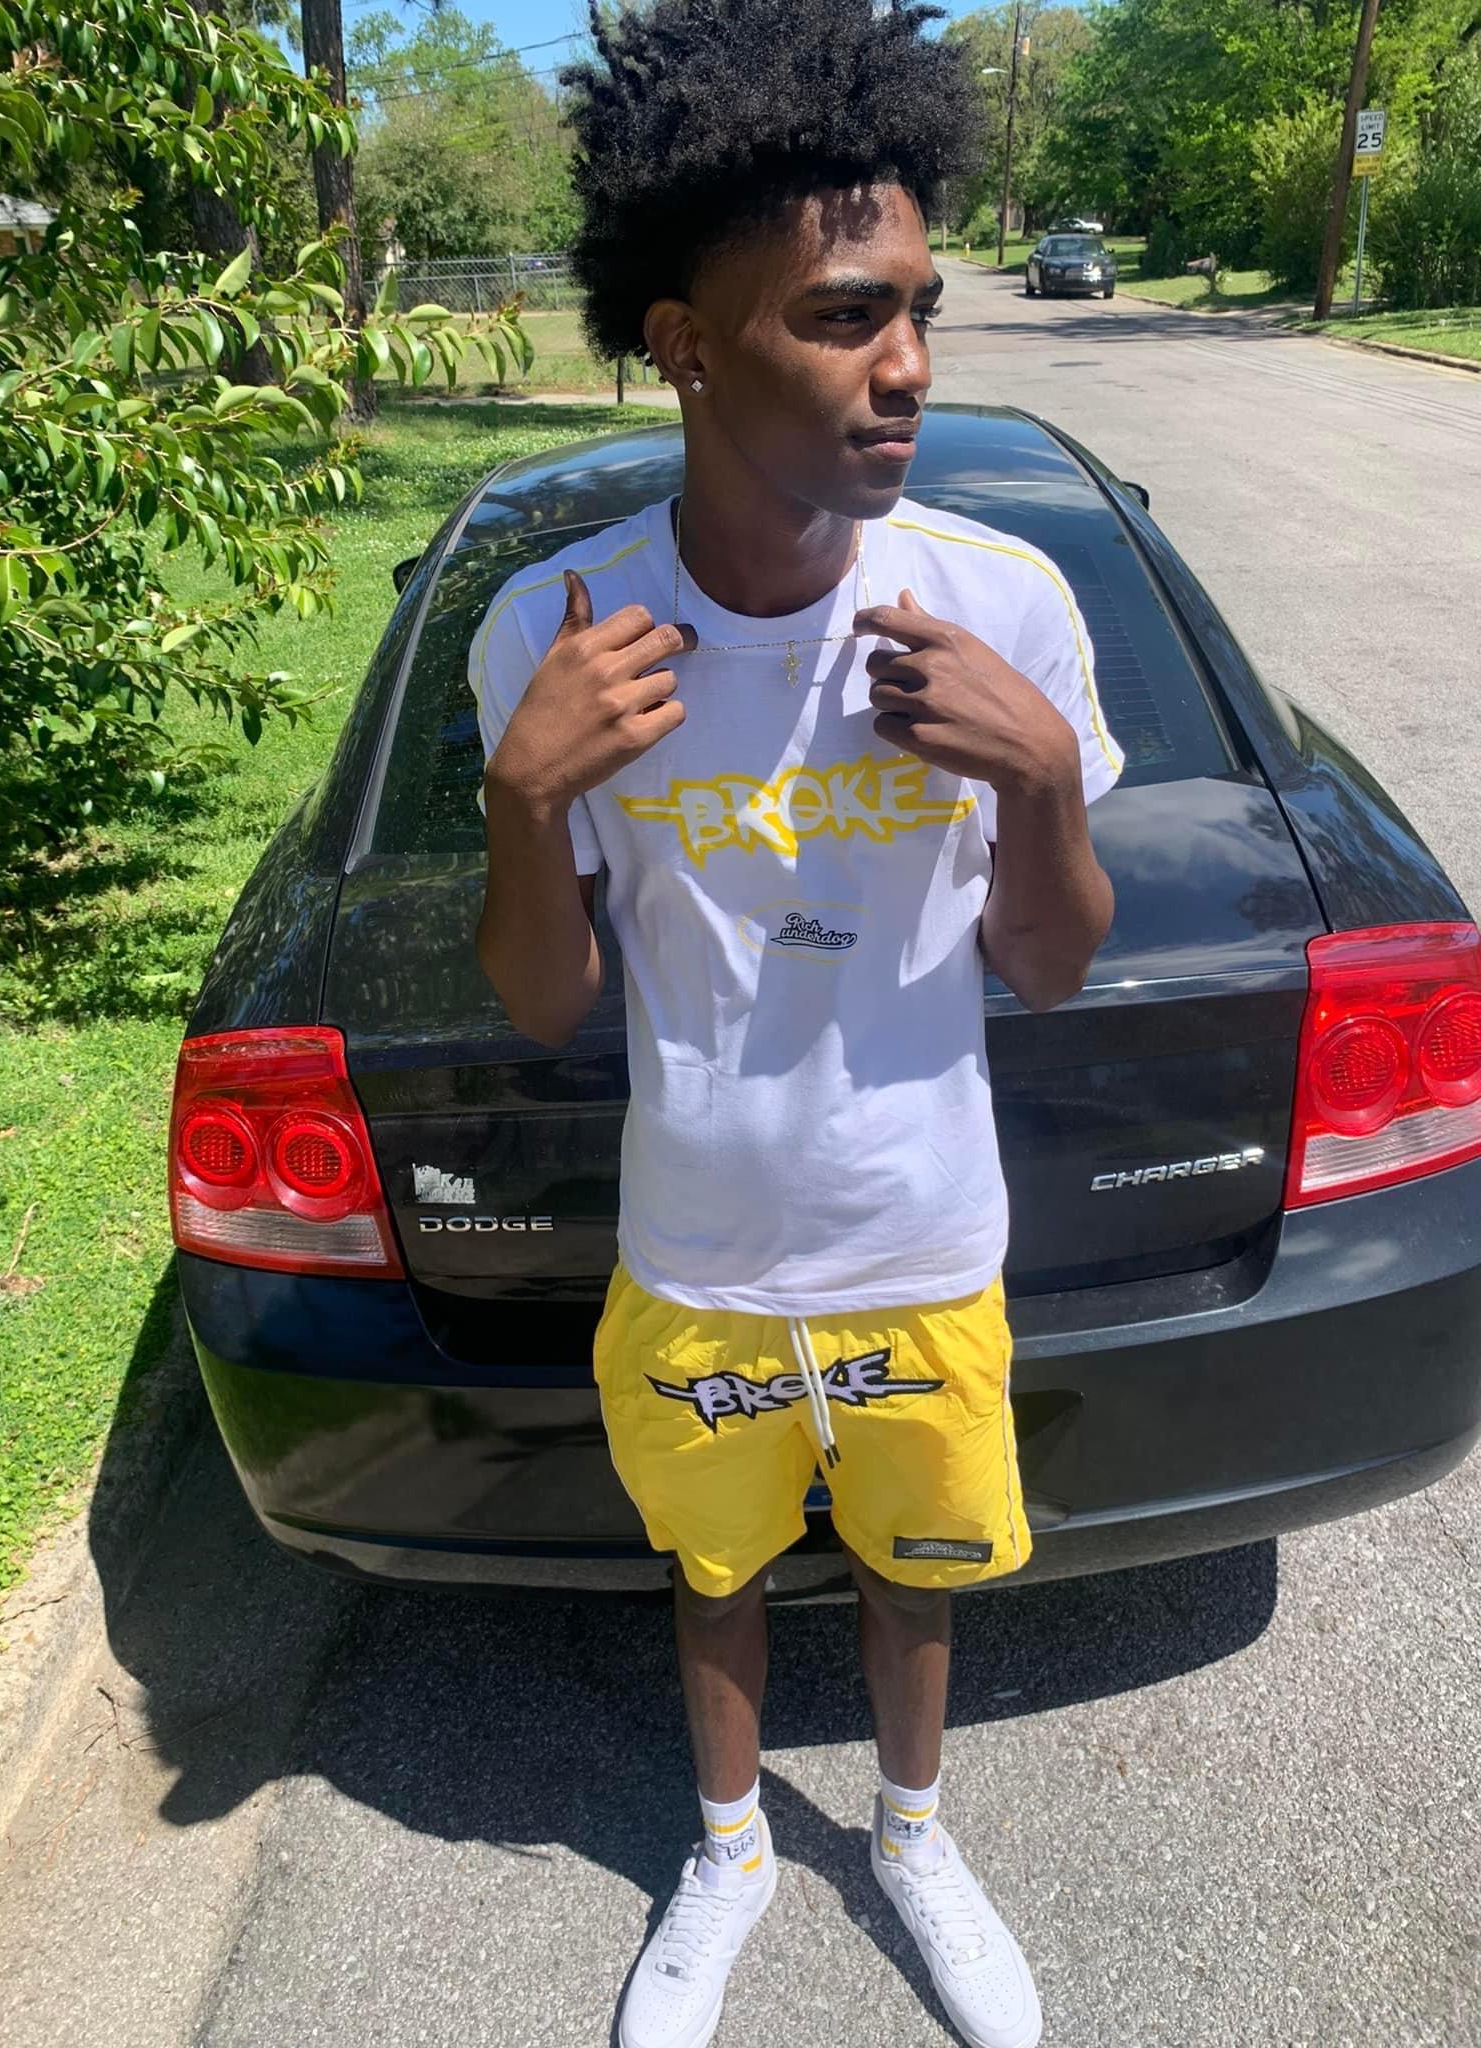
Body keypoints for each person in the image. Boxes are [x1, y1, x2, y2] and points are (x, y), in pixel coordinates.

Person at [473, 4, 1123, 2043]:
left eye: (919, 308)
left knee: (920, 1565)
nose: (908, 362)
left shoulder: (1000, 607)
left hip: (924, 1237)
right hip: (699, 1256)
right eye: (847, 315)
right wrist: (523, 804)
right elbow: (548, 1001)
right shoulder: (558, 631)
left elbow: (1049, 966)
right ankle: (734, 1847)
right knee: (719, 1567)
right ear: (684, 342)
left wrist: (1044, 782)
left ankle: (914, 1835)